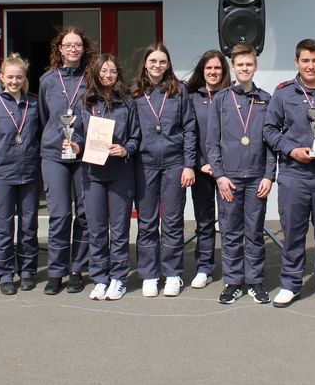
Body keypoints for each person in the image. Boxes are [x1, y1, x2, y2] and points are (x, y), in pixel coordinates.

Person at [264, 39, 315, 309]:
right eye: (305, 61)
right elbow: (269, 129)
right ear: (296, 62)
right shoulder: (283, 92)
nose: (310, 66)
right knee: (293, 232)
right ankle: (290, 284)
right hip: (294, 174)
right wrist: (291, 150)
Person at [65, 54, 141, 301]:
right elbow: (77, 134)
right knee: (96, 228)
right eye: (104, 71)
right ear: (96, 73)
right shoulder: (85, 102)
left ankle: (118, 278)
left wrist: (126, 149)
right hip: (92, 173)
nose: (108, 76)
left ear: (118, 74)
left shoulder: (127, 102)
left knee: (119, 229)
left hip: (120, 173)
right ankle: (100, 278)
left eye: (113, 71)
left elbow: (136, 136)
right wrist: (75, 145)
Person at [205, 45, 276, 304]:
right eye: (240, 65)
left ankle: (255, 281)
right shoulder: (221, 99)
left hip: (257, 177)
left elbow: (271, 142)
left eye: (249, 64)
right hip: (229, 179)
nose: (245, 68)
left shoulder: (267, 99)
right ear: (232, 67)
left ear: (255, 67)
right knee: (231, 232)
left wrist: (269, 175)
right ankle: (233, 282)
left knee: (254, 232)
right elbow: (212, 142)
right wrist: (219, 176)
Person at [132, 43, 197, 297]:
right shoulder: (135, 92)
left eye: (162, 61)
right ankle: (149, 274)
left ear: (168, 64)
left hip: (174, 163)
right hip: (144, 164)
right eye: (153, 61)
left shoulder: (179, 90)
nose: (157, 65)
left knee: (172, 220)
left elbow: (189, 128)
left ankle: (172, 273)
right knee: (147, 221)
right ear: (145, 63)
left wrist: (189, 164)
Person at [0, 55, 42, 295]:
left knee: (28, 226)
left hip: (29, 174)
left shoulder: (33, 104)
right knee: (3, 228)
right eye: (10, 77)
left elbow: (41, 137)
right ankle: (5, 274)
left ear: (25, 78)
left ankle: (27, 271)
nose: (14, 81)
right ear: (1, 78)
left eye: (19, 77)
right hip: (2, 175)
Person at [37, 28, 92, 295]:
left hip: (84, 155)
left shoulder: (91, 78)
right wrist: (56, 137)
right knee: (59, 215)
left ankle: (77, 270)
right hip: (54, 155)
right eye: (68, 45)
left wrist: (80, 141)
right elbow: (43, 117)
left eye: (77, 45)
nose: (73, 49)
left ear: (84, 48)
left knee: (84, 214)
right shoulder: (47, 81)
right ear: (59, 49)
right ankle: (56, 272)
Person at [186, 49, 231, 289]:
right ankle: (204, 267)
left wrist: (222, 166)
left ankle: (233, 268)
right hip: (202, 168)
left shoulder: (233, 95)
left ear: (224, 71)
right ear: (202, 71)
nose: (213, 72)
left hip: (228, 171)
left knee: (229, 221)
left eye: (218, 68)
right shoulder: (191, 97)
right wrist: (199, 162)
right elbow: (188, 133)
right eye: (209, 68)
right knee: (204, 220)